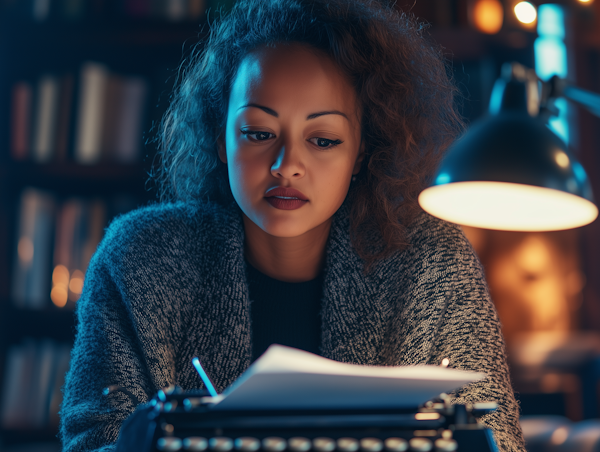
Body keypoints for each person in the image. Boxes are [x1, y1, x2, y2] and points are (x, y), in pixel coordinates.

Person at [59, 0, 526, 451]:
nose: (287, 166)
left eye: (323, 139)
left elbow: (495, 439)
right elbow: (93, 439)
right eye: (259, 133)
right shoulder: (138, 259)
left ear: (361, 151)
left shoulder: (435, 265)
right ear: (222, 137)